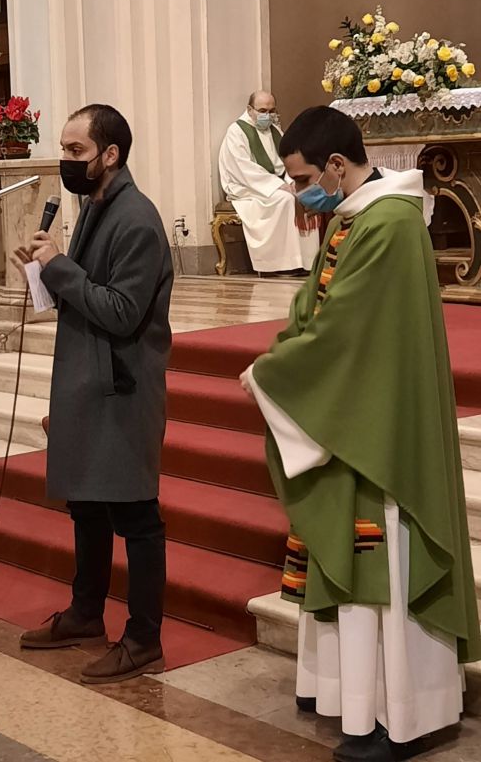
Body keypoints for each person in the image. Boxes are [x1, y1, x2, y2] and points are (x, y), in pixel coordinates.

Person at [240, 106, 480, 762]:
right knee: (350, 555)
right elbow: (314, 307)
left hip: (381, 427)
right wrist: (285, 351)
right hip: (351, 414)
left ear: (337, 166)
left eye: (301, 178)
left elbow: (347, 327)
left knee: (385, 561)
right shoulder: (351, 217)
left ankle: (398, 713)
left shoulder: (389, 224)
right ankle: (350, 695)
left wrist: (275, 372)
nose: (297, 192)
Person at [12, 104, 173, 685]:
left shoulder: (136, 219)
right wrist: (43, 272)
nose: (67, 161)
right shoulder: (94, 206)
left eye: (76, 151)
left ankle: (144, 637)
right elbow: (82, 294)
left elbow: (123, 313)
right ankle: (85, 614)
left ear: (111, 155)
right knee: (87, 502)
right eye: (64, 148)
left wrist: (59, 266)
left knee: (135, 513)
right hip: (87, 381)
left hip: (121, 385)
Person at [219, 90, 319, 276]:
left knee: (304, 195)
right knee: (284, 200)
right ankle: (280, 264)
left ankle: (307, 261)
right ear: (250, 109)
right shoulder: (237, 131)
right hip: (246, 186)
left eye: (272, 111)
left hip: (273, 183)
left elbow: (287, 163)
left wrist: (293, 183)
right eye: (263, 110)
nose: (268, 116)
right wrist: (278, 185)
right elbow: (242, 168)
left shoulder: (276, 131)